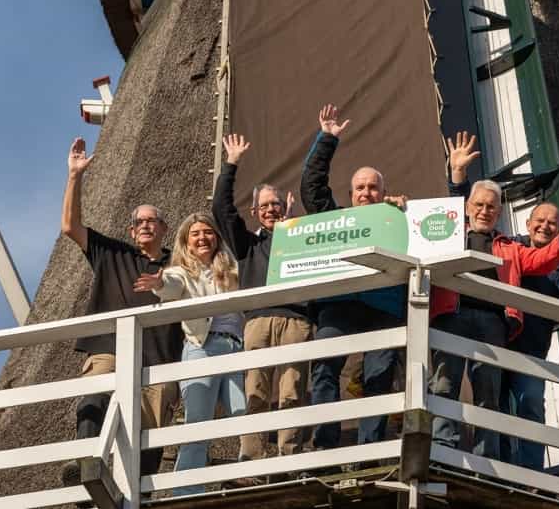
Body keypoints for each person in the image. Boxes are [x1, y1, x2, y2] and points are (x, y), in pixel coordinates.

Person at [430, 132, 559, 459]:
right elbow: (445, 212)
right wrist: (457, 174)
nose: (484, 211)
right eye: (479, 205)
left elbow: (543, 260)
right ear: (468, 208)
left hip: (493, 323)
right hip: (451, 314)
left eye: (491, 207)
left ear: (499, 213)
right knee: (444, 384)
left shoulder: (511, 248)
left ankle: (486, 457)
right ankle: (442, 449)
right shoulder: (450, 235)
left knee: (488, 393)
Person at [58, 137, 183, 485]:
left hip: (160, 356)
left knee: (151, 432)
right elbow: (70, 227)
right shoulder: (113, 253)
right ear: (131, 230)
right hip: (109, 346)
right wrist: (75, 176)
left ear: (164, 229)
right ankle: (86, 463)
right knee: (95, 395)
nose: (145, 225)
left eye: (152, 221)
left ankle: (141, 492)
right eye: (139, 221)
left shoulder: (179, 263)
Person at [300, 104, 408, 461]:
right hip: (340, 303)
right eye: (360, 187)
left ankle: (369, 452)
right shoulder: (337, 219)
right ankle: (325, 449)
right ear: (351, 196)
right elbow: (312, 190)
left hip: (384, 305)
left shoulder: (398, 219)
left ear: (384, 192)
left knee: (379, 376)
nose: (366, 192)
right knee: (324, 366)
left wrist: (401, 212)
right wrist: (326, 139)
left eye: (373, 188)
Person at [212, 133, 310, 477]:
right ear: (255, 212)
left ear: (285, 208)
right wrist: (231, 164)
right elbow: (221, 209)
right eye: (265, 206)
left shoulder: (301, 241)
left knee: (292, 391)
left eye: (276, 204)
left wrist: (294, 227)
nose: (271, 210)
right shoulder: (248, 246)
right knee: (256, 391)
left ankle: (289, 459)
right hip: (258, 320)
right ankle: (252, 461)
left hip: (296, 318)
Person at [133, 212, 244, 496]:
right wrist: (159, 284)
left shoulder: (232, 267)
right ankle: (186, 490)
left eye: (207, 232)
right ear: (186, 242)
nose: (202, 238)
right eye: (195, 234)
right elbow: (171, 286)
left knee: (243, 412)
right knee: (198, 420)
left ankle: (247, 474)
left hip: (237, 347)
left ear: (216, 237)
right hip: (202, 347)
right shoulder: (180, 272)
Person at [499, 202, 559, 470]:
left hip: (532, 348)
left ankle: (530, 472)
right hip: (497, 340)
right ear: (527, 224)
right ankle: (499, 468)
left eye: (552, 223)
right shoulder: (510, 246)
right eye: (540, 220)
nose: (545, 226)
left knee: (531, 404)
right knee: (494, 405)